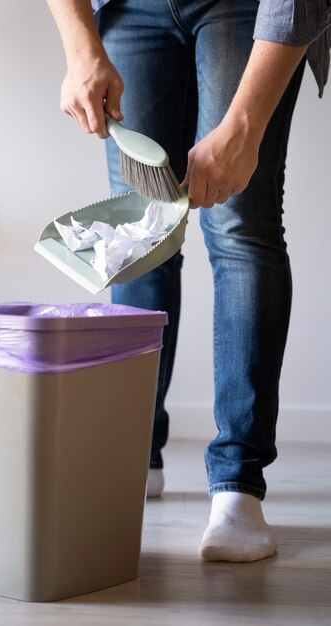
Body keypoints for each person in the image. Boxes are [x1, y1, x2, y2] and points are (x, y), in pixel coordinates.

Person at [46, 0, 330, 562]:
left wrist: (244, 126)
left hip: (248, 9)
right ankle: (134, 452)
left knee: (240, 227)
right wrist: (81, 47)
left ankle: (237, 485)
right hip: (128, 9)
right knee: (143, 227)